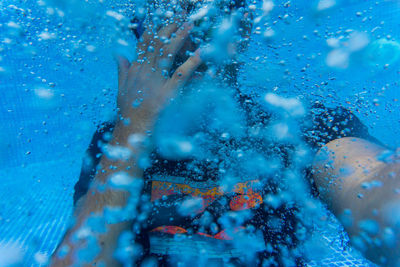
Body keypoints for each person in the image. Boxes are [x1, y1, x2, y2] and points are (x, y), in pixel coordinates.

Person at [50, 3, 400, 267]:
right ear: (144, 39)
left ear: (241, 32)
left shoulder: (302, 126)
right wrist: (132, 130)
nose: (185, 43)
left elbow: (369, 183)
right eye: (168, 26)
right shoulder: (115, 141)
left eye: (203, 22)